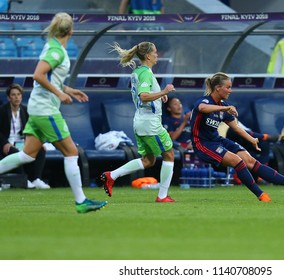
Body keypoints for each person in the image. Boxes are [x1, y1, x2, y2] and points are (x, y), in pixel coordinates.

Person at [0, 12, 107, 213]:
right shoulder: (57, 52)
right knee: (71, 151)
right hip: (46, 110)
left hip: (38, 106)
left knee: (27, 155)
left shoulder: (52, 47)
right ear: (71, 31)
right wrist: (59, 93)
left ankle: (81, 201)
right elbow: (38, 75)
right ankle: (81, 201)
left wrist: (68, 90)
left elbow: (49, 78)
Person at [189, 72, 284, 202]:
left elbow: (236, 128)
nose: (230, 90)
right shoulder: (206, 101)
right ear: (218, 88)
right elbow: (202, 108)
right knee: (237, 161)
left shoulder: (224, 106)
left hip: (217, 140)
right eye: (228, 87)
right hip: (202, 144)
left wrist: (252, 140)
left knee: (250, 161)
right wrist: (225, 109)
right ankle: (260, 194)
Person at [100, 41, 176, 202]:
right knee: (169, 155)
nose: (157, 54)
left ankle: (111, 175)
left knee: (148, 160)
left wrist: (158, 94)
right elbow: (143, 95)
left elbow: (146, 93)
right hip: (150, 124)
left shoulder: (138, 72)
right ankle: (162, 196)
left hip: (140, 120)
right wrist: (164, 90)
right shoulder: (146, 73)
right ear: (148, 55)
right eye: (155, 52)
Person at [0, 83, 50, 189]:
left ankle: (36, 179)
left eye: (18, 94)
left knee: (40, 149)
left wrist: (38, 142)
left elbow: (31, 129)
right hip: (7, 144)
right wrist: (5, 143)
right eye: (13, 95)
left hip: (21, 142)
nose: (16, 97)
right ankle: (24, 179)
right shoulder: (2, 111)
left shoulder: (25, 110)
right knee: (14, 152)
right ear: (9, 98)